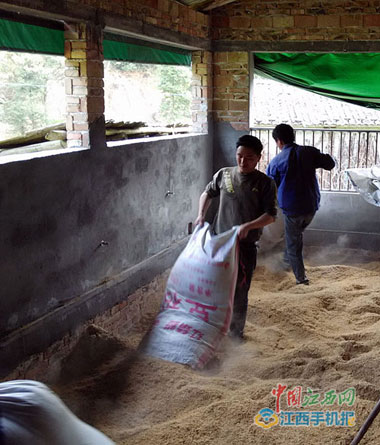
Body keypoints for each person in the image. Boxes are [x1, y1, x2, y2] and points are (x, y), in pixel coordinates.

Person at [195, 135, 277, 340]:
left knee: (240, 291)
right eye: (239, 156)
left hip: (244, 247)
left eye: (249, 157)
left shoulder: (265, 183)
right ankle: (213, 326)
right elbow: (207, 193)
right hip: (218, 243)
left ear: (259, 158)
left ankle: (235, 333)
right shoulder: (224, 175)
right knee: (213, 285)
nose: (243, 161)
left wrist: (249, 226)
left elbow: (270, 215)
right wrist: (200, 215)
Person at [266, 123, 335, 285]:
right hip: (311, 206)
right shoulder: (308, 152)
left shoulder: (276, 162)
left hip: (292, 209)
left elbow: (270, 187)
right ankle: (286, 259)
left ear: (279, 141)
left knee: (293, 241)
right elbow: (330, 164)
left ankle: (301, 279)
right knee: (295, 236)